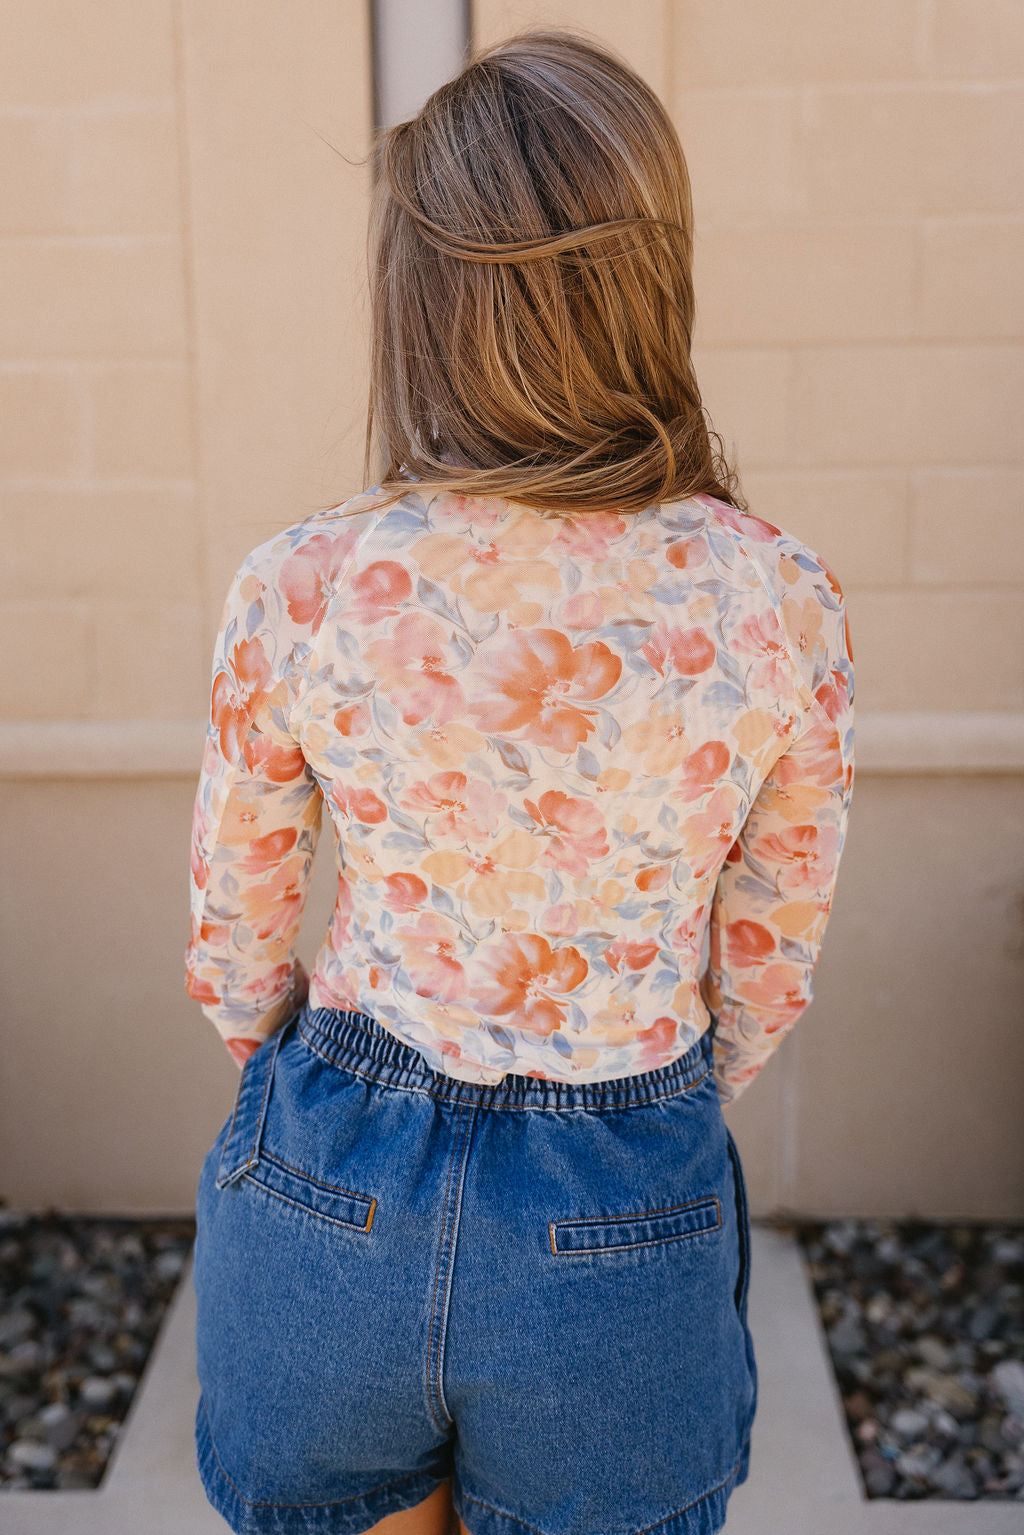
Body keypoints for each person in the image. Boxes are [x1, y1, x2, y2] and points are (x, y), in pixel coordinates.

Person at [185, 26, 855, 1535]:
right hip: (621, 1186)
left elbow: (233, 941)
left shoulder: (304, 582)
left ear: (418, 300)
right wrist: (650, 1089)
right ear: (650, 279)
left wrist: (315, 1089)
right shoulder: (776, 596)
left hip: (335, 1186)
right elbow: (769, 958)